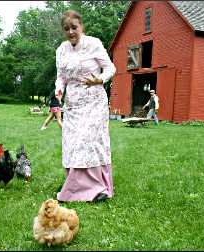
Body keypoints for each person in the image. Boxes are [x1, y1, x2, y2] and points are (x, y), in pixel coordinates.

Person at [54, 10, 116, 202]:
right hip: (72, 104)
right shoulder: (61, 50)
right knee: (72, 144)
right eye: (67, 29)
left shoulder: (94, 44)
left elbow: (111, 68)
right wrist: (58, 90)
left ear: (81, 26)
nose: (71, 32)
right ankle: (74, 184)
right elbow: (61, 77)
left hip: (94, 102)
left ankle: (98, 187)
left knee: (88, 142)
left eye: (74, 27)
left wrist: (100, 79)